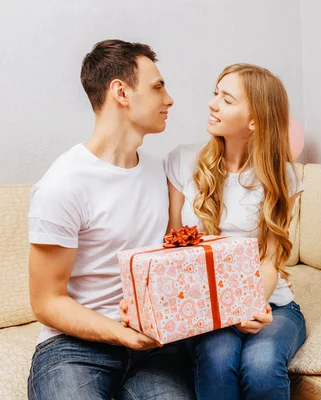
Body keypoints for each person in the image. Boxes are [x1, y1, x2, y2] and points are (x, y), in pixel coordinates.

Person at [122, 63, 306, 399]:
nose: (213, 103)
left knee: (262, 365)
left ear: (255, 120)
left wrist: (250, 306)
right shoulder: (182, 161)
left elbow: (269, 261)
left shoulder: (282, 177)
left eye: (228, 99)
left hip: (270, 303)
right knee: (218, 358)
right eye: (215, 93)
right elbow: (173, 249)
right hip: (206, 307)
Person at [27, 39, 194, 400]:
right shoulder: (62, 186)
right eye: (157, 87)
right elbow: (46, 302)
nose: (169, 99)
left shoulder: (160, 173)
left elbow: (171, 258)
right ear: (121, 92)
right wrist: (122, 333)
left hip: (154, 348)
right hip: (74, 349)